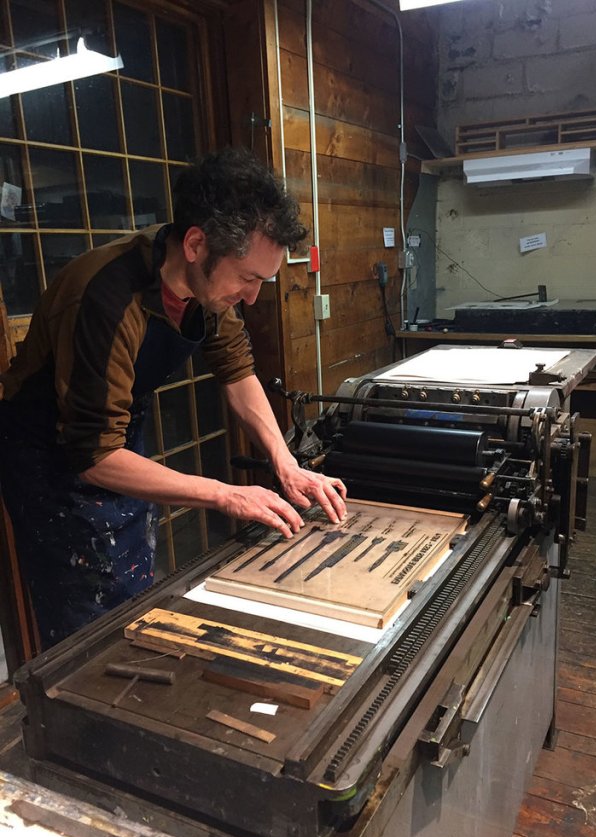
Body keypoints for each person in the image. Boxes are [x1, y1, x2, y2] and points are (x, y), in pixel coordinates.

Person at [0, 148, 347, 650]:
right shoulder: (105, 298)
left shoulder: (209, 290)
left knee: (134, 584)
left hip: (112, 436)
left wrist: (286, 463)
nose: (252, 297)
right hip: (47, 454)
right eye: (248, 279)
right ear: (195, 244)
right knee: (86, 617)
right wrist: (226, 493)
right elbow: (93, 455)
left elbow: (236, 371)